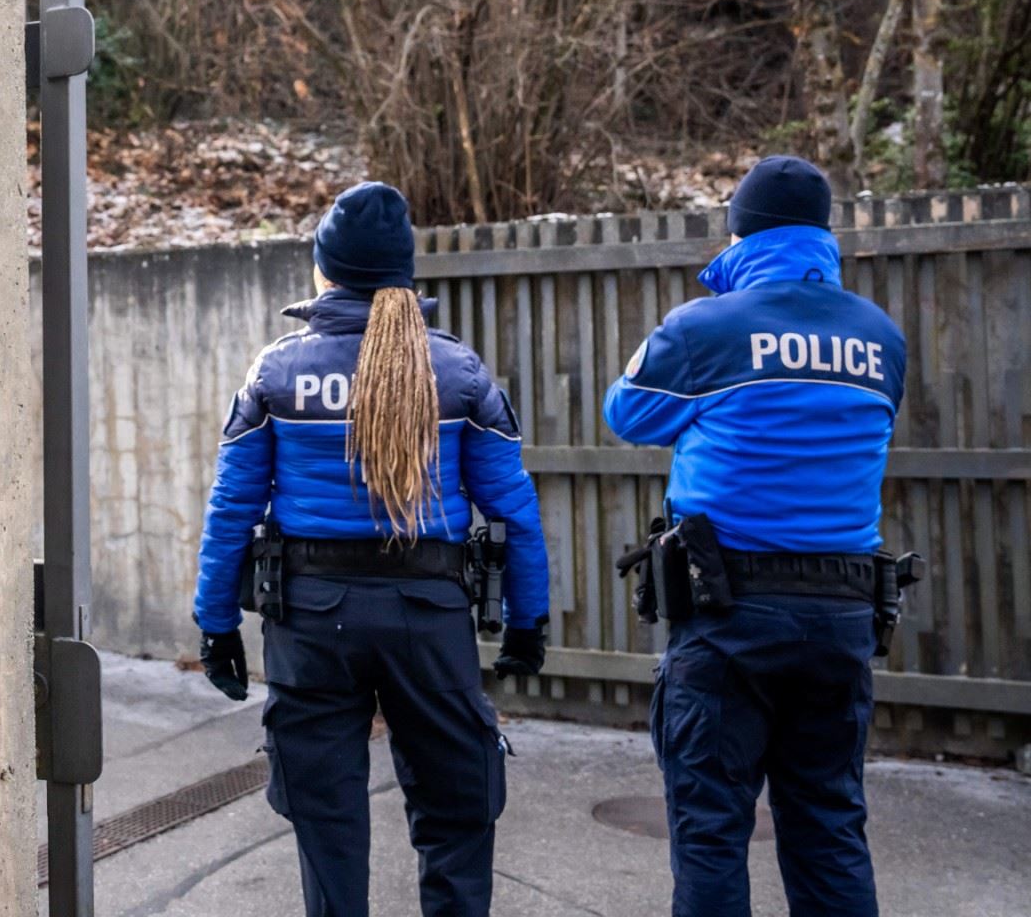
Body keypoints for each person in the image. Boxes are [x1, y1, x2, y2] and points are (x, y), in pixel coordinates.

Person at [192, 181, 551, 917]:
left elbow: (233, 505)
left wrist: (216, 625)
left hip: (311, 621)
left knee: (327, 821)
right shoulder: (457, 371)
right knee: (456, 810)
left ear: (324, 270)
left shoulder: (277, 372)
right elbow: (514, 508)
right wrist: (527, 620)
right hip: (429, 616)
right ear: (404, 276)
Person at [603, 156, 908, 917]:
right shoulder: (881, 337)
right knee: (831, 829)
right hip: (843, 615)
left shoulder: (708, 328)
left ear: (740, 233)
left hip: (729, 613)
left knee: (711, 833)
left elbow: (627, 413)